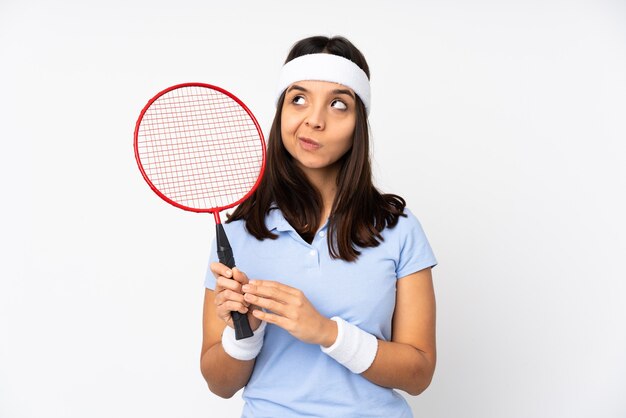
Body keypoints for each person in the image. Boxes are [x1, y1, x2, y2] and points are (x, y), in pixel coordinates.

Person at [200, 35, 437, 418]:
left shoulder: (399, 229)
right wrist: (246, 334)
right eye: (298, 99)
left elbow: (419, 374)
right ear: (281, 112)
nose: (314, 119)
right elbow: (219, 383)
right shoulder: (238, 235)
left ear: (359, 123)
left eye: (338, 104)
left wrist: (328, 333)